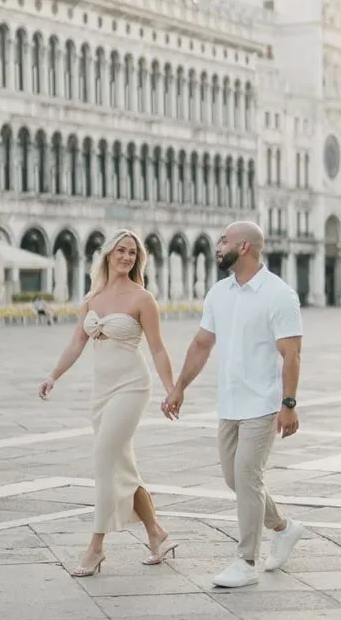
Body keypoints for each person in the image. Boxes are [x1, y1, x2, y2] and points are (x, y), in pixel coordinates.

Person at [163, 221, 304, 588]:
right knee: (235, 478)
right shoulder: (218, 293)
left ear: (243, 247)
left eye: (223, 240)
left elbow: (291, 354)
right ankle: (284, 528)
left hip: (262, 403)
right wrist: (179, 387)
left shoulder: (279, 295)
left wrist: (289, 403)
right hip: (229, 402)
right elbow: (201, 345)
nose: (218, 246)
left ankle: (246, 560)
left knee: (247, 476)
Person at [39, 229, 177, 577]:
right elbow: (75, 344)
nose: (127, 257)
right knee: (123, 466)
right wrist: (53, 375)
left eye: (133, 253)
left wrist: (171, 389)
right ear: (107, 254)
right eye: (121, 250)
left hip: (132, 385)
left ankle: (96, 547)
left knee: (104, 459)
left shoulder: (143, 298)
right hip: (101, 391)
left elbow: (158, 348)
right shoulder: (92, 298)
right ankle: (156, 533)